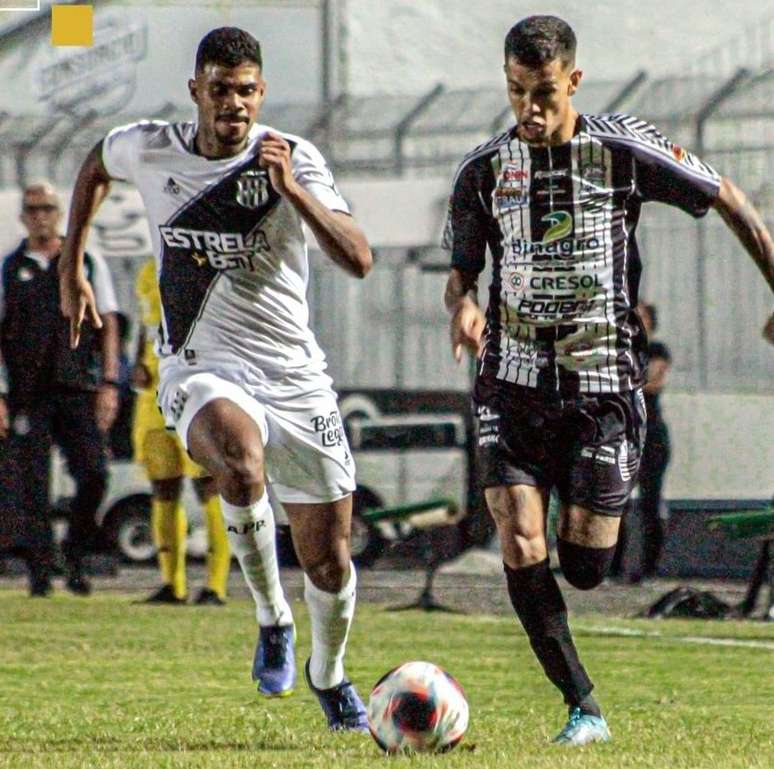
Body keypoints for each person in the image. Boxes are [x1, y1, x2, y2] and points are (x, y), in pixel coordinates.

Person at [443, 15, 774, 746]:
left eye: (544, 93)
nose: (528, 111)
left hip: (603, 388)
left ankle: (581, 532)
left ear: (574, 82)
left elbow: (726, 195)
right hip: (511, 380)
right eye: (515, 93)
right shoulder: (484, 171)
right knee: (520, 539)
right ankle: (583, 705)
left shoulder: (621, 149)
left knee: (587, 564)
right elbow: (462, 272)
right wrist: (464, 305)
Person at [59, 28, 373, 729]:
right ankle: (271, 618)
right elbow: (94, 164)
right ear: (197, 90)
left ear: (262, 95)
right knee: (236, 456)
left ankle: (329, 671)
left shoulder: (293, 158)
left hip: (294, 375)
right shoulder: (151, 145)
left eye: (247, 91)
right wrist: (70, 259)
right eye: (221, 89)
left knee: (330, 560)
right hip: (201, 364)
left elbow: (359, 257)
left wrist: (292, 189)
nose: (234, 103)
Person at [0, 182, 120, 597]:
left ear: (59, 212)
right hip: (28, 390)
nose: (40, 216)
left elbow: (107, 323)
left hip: (78, 386)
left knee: (94, 475)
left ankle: (76, 551)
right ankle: (39, 569)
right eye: (32, 209)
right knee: (30, 485)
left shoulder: (85, 260)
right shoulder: (10, 267)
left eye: (47, 208)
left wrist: (108, 382)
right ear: (23, 216)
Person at [132, 257, 231, 606]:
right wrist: (137, 363)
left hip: (193, 388)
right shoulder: (148, 270)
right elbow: (147, 324)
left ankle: (215, 586)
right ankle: (171, 583)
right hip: (153, 395)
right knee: (162, 486)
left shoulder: (204, 261)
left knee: (209, 485)